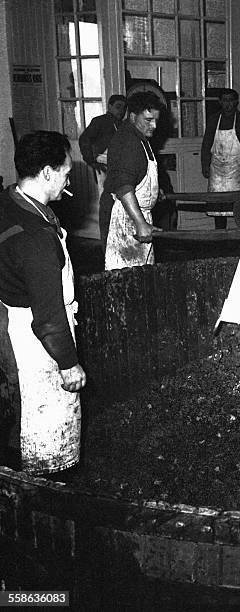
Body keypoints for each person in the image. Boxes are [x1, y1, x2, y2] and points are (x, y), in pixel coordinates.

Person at [0, 131, 86, 475]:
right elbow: (48, 318)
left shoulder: (9, 200)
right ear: (47, 173)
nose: (68, 178)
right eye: (66, 171)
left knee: (17, 416)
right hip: (36, 344)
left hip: (11, 320)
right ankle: (49, 483)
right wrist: (68, 364)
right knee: (46, 434)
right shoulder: (35, 239)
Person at [100, 91, 164, 270]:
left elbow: (137, 173)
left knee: (143, 274)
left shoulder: (140, 137)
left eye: (156, 120)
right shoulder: (128, 141)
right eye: (148, 120)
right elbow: (123, 187)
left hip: (136, 213)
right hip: (125, 217)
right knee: (125, 275)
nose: (154, 126)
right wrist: (140, 223)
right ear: (133, 116)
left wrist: (153, 190)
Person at [201, 88, 240, 229]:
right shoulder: (214, 120)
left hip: (238, 170)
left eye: (231, 100)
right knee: (218, 209)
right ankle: (220, 237)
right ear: (220, 102)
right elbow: (206, 144)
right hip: (217, 172)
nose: (228, 104)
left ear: (236, 102)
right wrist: (205, 165)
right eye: (225, 100)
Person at [79, 94, 127, 194]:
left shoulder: (123, 125)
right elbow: (84, 139)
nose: (121, 111)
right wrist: (91, 160)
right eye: (118, 107)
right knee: (106, 195)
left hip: (118, 165)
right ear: (109, 106)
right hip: (102, 165)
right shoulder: (99, 121)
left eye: (124, 108)